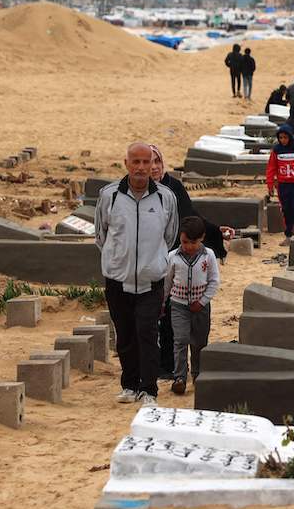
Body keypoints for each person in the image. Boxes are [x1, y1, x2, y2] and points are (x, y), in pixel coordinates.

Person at [96, 142, 179, 407]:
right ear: (127, 164)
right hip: (117, 279)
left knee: (147, 332)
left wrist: (152, 260)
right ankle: (129, 385)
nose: (143, 168)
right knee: (125, 335)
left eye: (148, 162)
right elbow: (101, 235)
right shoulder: (109, 196)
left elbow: (170, 235)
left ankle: (149, 390)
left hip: (151, 280)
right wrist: (118, 259)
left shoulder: (166, 197)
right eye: (137, 162)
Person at [148, 145, 228, 381]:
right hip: (150, 257)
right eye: (147, 162)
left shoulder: (173, 186)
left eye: (156, 162)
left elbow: (190, 214)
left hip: (176, 254)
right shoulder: (139, 191)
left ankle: (181, 370)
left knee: (175, 318)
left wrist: (215, 231)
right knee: (158, 313)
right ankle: (164, 364)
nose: (152, 167)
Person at [162, 216, 220, 395]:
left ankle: (197, 374)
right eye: (184, 242)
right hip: (178, 306)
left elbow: (214, 282)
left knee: (199, 342)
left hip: (201, 307)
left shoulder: (208, 256)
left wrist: (202, 301)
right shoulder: (172, 257)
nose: (188, 246)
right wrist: (163, 303)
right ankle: (179, 377)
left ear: (201, 238)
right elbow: (167, 283)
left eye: (192, 242)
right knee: (180, 340)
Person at [267, 123, 294, 239]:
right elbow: (271, 168)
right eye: (280, 138)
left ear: (290, 137)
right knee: (286, 209)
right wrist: (270, 185)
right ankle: (289, 235)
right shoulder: (276, 150)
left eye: (285, 137)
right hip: (282, 184)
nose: (283, 140)